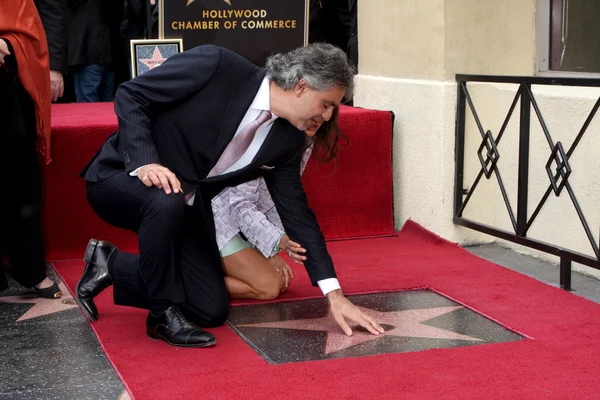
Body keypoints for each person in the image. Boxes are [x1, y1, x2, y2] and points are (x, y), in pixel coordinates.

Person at [75, 43, 385, 348]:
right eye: (327, 104)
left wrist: (335, 295)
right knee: (166, 197)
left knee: (209, 309)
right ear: (302, 87)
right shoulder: (217, 65)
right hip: (120, 177)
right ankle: (160, 316)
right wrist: (145, 160)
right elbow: (132, 93)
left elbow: (298, 214)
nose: (329, 116)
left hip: (183, 207)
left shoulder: (287, 141)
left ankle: (111, 264)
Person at [216, 109, 342, 300]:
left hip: (244, 224)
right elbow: (238, 203)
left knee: (279, 281)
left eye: (329, 108)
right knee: (269, 286)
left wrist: (270, 250)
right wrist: (277, 243)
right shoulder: (265, 132)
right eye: (320, 105)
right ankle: (185, 281)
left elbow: (280, 199)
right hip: (219, 218)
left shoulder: (305, 139)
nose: (321, 118)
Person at [0, 0, 61, 298]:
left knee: (21, 181)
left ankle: (31, 270)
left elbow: (30, 32)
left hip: (8, 93)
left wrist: (8, 43)